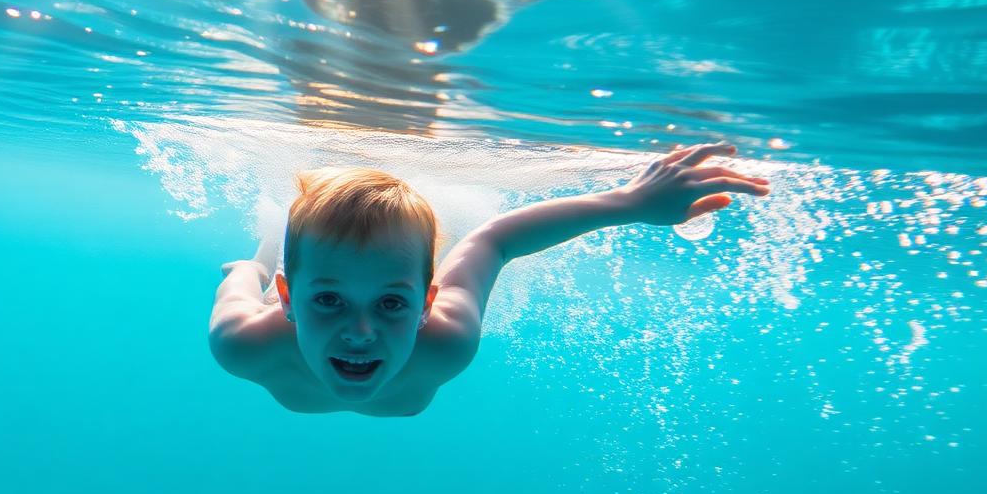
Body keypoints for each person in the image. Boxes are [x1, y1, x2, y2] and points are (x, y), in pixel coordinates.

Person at [208, 143, 770, 416]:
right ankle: (266, 256)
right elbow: (495, 242)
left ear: (428, 303)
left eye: (391, 304)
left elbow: (492, 240)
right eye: (328, 301)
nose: (360, 331)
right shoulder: (244, 342)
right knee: (244, 275)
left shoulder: (446, 337)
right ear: (287, 301)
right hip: (272, 293)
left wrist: (631, 202)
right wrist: (249, 273)